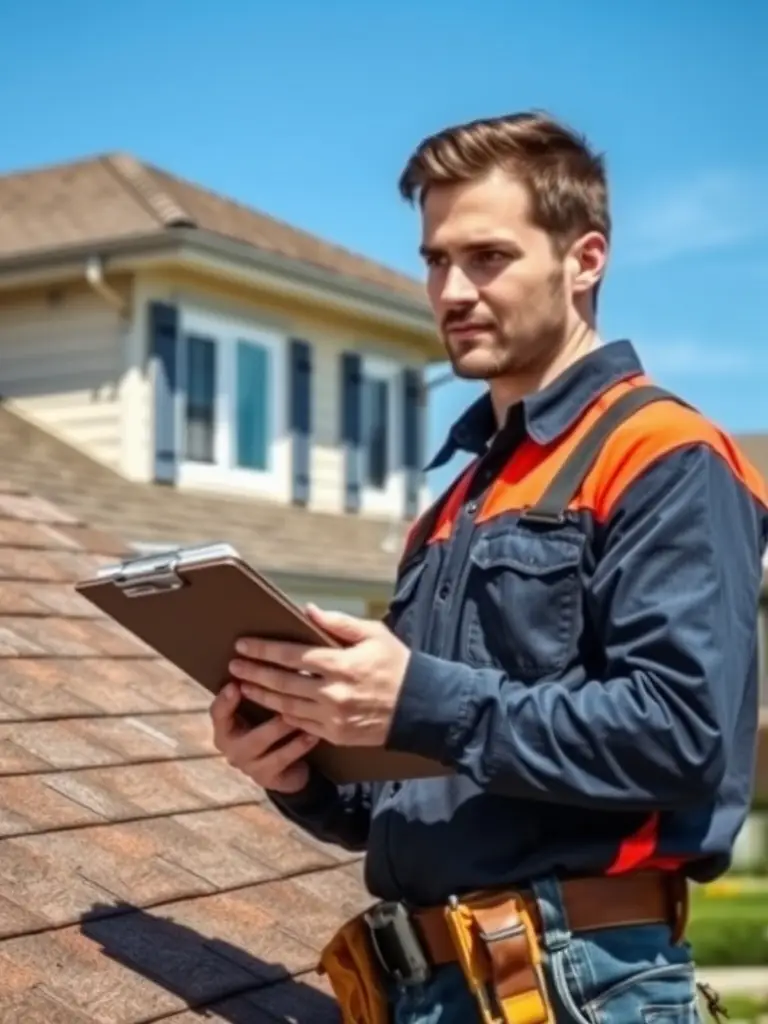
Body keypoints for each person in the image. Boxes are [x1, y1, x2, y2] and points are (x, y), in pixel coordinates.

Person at [210, 110, 768, 1024]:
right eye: (436, 259)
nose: (451, 290)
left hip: (580, 983)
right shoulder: (453, 502)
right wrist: (299, 767)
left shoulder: (665, 454)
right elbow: (409, 796)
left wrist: (417, 698)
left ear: (585, 260)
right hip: (420, 985)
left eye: (488, 257)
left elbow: (681, 738)